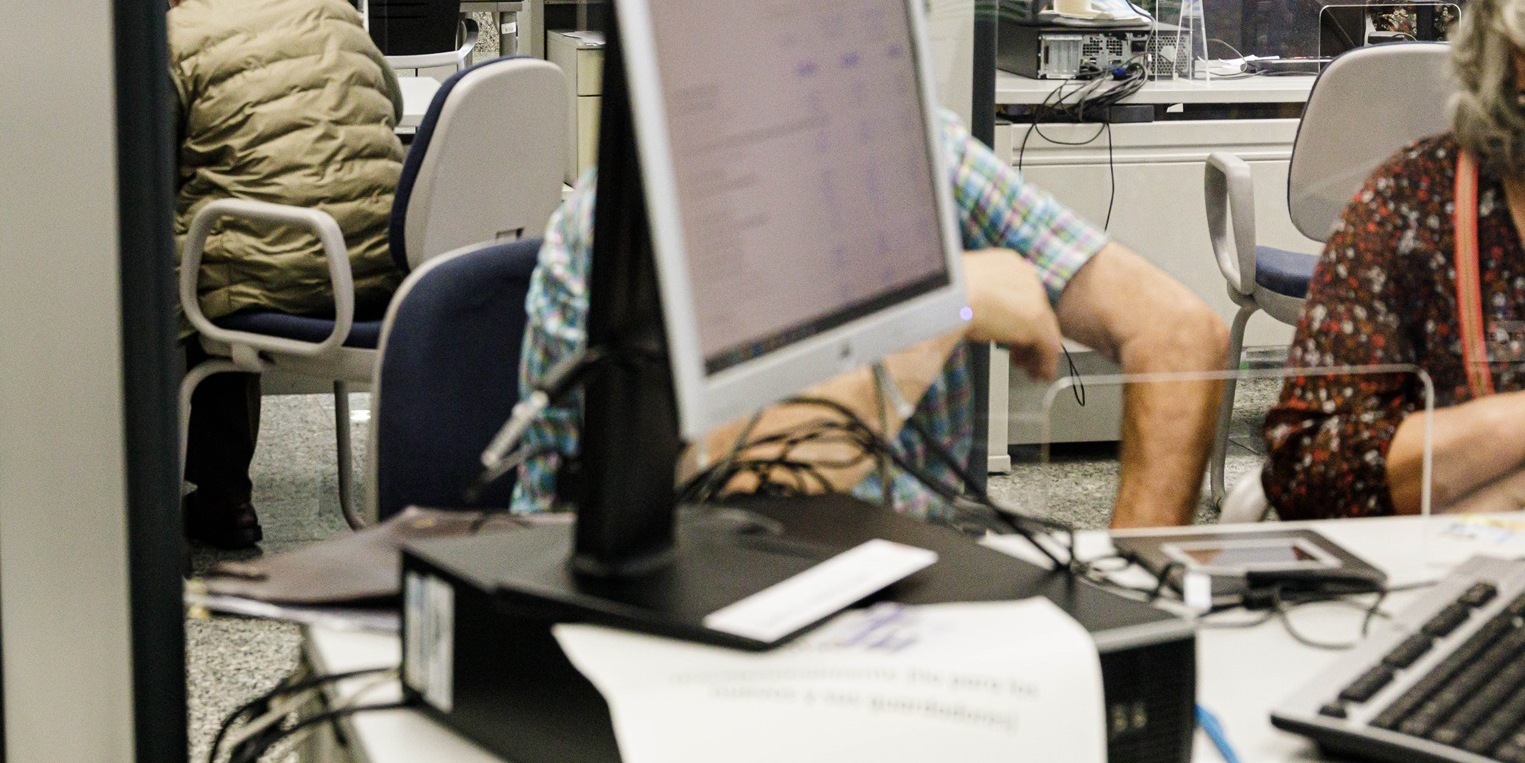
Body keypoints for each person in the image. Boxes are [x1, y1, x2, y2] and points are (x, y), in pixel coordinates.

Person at [512, 112, 1231, 528]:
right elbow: (723, 491)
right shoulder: (618, 228)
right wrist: (946, 304)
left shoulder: (915, 149)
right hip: (673, 613)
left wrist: (1137, 586)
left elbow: (1178, 333)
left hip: (904, 598)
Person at [1263, 0, 1525, 519]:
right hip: (1432, 584)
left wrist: (1520, 488)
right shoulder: (1417, 207)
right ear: (1520, 57)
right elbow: (1306, 476)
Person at [164, 0, 406, 548]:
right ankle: (222, 499)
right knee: (230, 239)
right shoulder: (327, 2)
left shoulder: (174, 34)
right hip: (380, 268)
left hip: (271, 279)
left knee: (178, 263)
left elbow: (144, 169)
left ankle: (215, 498)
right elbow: (389, 102)